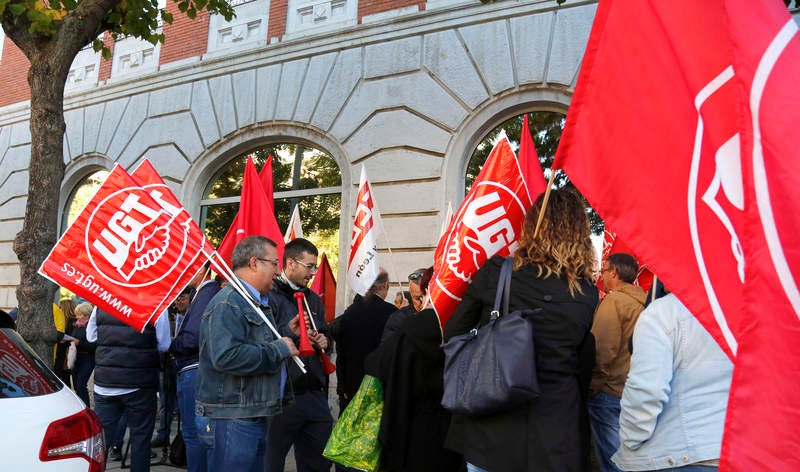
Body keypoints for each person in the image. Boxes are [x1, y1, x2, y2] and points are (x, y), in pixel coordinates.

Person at [443, 189, 599, 472]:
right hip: (555, 432)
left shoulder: (497, 273)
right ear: (580, 233)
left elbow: (454, 333)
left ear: (531, 226)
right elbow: (582, 357)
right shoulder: (587, 292)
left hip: (490, 426)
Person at [194, 236, 300, 471]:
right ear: (254, 263)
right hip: (231, 417)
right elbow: (226, 356)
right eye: (274, 263)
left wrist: (285, 334)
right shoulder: (228, 303)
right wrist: (279, 348)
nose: (278, 270)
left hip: (248, 413)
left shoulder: (254, 301)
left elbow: (253, 343)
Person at [612, 293, 733, 471]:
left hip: (675, 454)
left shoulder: (664, 312)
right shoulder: (754, 312)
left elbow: (646, 392)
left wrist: (630, 439)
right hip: (734, 449)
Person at [365, 267, 464, 472]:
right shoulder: (463, 323)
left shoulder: (415, 326)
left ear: (429, 292)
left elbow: (376, 364)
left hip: (411, 428)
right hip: (453, 433)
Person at [268, 238, 333, 472]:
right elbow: (263, 341)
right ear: (291, 263)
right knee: (271, 461)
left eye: (315, 267)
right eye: (309, 266)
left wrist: (325, 341)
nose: (313, 272)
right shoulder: (269, 296)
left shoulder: (313, 299)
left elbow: (325, 334)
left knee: (319, 462)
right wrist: (290, 334)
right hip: (283, 396)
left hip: (314, 394)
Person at [88, 304, 172, 472]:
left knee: (100, 442)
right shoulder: (157, 303)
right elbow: (164, 344)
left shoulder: (103, 301)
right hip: (140, 383)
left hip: (106, 382)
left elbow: (91, 337)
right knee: (140, 440)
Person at [590, 253, 647, 472]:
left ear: (614, 272)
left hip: (609, 392)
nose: (601, 276)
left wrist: (594, 385)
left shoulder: (614, 301)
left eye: (603, 271)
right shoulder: (646, 301)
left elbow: (602, 350)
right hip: (636, 391)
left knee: (613, 461)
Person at [170, 261, 220, 472]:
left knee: (194, 433)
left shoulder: (206, 293)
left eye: (187, 267)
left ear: (202, 269)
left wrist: (172, 345)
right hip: (196, 371)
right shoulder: (200, 293)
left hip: (194, 372)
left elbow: (193, 338)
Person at [332, 268, 395, 412]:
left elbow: (341, 353)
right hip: (380, 390)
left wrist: (342, 386)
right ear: (385, 285)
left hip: (351, 389)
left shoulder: (348, 314)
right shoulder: (392, 313)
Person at [380, 269, 426, 345]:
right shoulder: (398, 319)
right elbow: (387, 351)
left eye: (428, 297)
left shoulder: (445, 314)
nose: (424, 302)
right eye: (418, 298)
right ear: (411, 294)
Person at [70, 301, 97, 406]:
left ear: (87, 315)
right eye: (76, 314)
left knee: (81, 385)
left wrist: (79, 342)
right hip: (76, 358)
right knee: (76, 386)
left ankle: (86, 408)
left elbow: (93, 345)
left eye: (79, 314)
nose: (77, 317)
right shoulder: (76, 325)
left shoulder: (92, 327)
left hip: (87, 359)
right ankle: (81, 406)